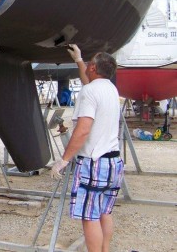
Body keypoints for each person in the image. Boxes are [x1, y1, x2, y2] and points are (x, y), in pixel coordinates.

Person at [50, 44, 124, 252]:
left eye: (89, 63)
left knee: (89, 216)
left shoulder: (90, 91)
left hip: (94, 162)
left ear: (93, 68)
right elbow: (89, 84)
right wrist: (79, 59)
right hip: (113, 161)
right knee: (104, 212)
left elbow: (83, 130)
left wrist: (64, 159)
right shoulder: (110, 89)